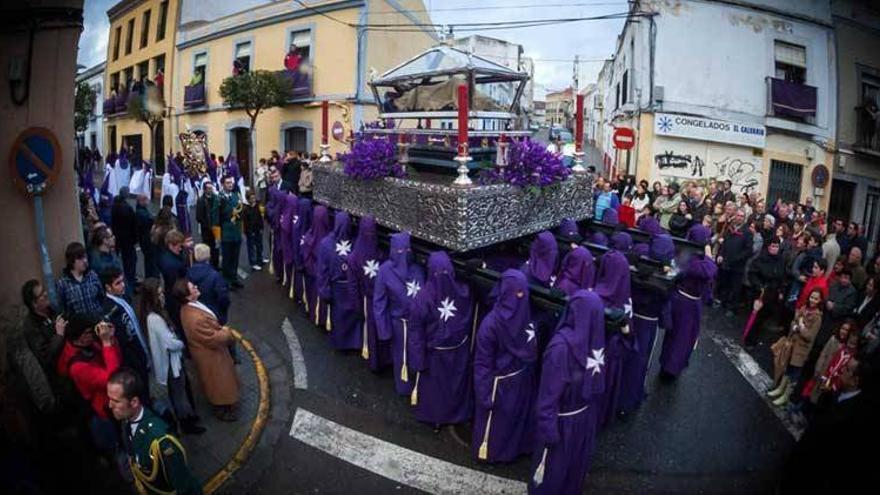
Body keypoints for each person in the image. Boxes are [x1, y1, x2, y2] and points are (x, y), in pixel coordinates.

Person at [529, 290, 606, 495]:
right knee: (552, 477)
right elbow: (548, 397)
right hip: (561, 424)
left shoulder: (593, 339)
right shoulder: (561, 348)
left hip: (582, 419)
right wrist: (549, 432)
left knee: (573, 474)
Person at [472, 269, 538, 463]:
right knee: (497, 426)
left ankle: (516, 448)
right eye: (516, 293)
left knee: (515, 420)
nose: (520, 297)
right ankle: (492, 456)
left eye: (522, 292)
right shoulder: (491, 325)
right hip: (498, 386)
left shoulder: (523, 314)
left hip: (520, 378)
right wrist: (483, 394)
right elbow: (482, 363)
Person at [106, 368, 202, 494]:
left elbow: (183, 485)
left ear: (134, 402)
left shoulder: (161, 441)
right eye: (110, 399)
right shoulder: (126, 421)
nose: (110, 405)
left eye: (116, 401)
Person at [407, 251, 474, 427]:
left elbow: (416, 332)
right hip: (451, 352)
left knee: (439, 391)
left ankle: (438, 418)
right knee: (450, 388)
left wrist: (418, 360)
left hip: (439, 354)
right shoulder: (463, 291)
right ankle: (450, 416)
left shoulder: (422, 297)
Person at [137, 279, 204, 435]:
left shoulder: (154, 314)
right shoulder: (154, 319)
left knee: (179, 392)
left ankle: (188, 418)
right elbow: (169, 343)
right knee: (178, 395)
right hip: (171, 364)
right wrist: (181, 343)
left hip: (172, 362)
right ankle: (186, 424)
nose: (163, 296)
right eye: (159, 293)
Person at [56, 313, 121, 454]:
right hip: (104, 413)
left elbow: (116, 360)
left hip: (112, 403)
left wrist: (111, 339)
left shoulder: (89, 345)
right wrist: (106, 343)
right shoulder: (77, 366)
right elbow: (112, 379)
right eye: (89, 332)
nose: (93, 333)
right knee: (118, 450)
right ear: (80, 337)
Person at [175, 279, 239, 421]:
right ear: (187, 296)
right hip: (211, 357)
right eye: (192, 287)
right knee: (218, 383)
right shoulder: (195, 319)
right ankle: (222, 408)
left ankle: (224, 404)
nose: (196, 286)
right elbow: (213, 338)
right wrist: (227, 333)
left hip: (211, 355)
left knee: (219, 382)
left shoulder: (190, 308)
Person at [660, 229, 717, 379]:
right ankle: (670, 369)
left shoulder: (685, 254)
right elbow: (709, 271)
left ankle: (667, 364)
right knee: (683, 338)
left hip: (682, 299)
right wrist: (709, 254)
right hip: (688, 303)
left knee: (675, 335)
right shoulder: (692, 260)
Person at [374, 232, 426, 396]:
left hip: (417, 324)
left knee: (418, 356)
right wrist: (383, 330)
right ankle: (404, 387)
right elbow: (379, 301)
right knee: (400, 356)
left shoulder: (418, 270)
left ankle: (419, 388)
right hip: (398, 324)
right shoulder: (384, 271)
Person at [100, 266, 152, 404]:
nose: (123, 285)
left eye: (122, 281)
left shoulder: (121, 299)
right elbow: (123, 341)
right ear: (108, 287)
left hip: (138, 352)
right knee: (142, 393)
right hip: (133, 360)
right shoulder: (110, 310)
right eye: (118, 283)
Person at [768, 288, 824, 407]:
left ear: (820, 301)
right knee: (788, 368)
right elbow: (794, 321)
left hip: (802, 349)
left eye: (816, 298)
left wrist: (801, 328)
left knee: (795, 373)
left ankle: (786, 396)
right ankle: (780, 389)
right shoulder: (804, 308)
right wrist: (795, 326)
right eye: (811, 297)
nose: (813, 300)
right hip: (792, 344)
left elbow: (810, 336)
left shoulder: (818, 317)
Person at [316, 211, 363, 349]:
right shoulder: (354, 243)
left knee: (344, 318)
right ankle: (349, 343)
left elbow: (322, 271)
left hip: (339, 287)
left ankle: (346, 343)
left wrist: (324, 290)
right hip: (346, 288)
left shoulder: (326, 243)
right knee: (345, 317)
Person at [349, 215, 389, 371]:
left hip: (367, 299)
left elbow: (353, 285)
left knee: (372, 331)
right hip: (380, 299)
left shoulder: (354, 257)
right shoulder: (381, 253)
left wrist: (356, 305)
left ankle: (375, 362)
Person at [745, 238, 787, 346]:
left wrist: (781, 290)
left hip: (772, 294)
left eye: (776, 246)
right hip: (760, 293)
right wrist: (759, 286)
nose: (774, 249)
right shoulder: (761, 259)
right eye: (772, 246)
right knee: (755, 317)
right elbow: (752, 274)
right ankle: (749, 339)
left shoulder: (780, 260)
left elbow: (782, 277)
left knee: (764, 318)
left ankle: (756, 336)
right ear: (768, 247)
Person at [716, 209, 752, 315]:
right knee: (725, 283)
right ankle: (723, 302)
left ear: (744, 218)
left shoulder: (747, 232)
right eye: (738, 215)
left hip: (737, 265)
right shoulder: (730, 229)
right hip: (726, 262)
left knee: (735, 287)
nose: (739, 217)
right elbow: (724, 243)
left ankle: (732, 307)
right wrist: (721, 255)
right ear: (735, 216)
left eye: (742, 216)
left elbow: (748, 250)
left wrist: (736, 258)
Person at [302, 204, 332, 325]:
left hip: (312, 274)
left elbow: (305, 254)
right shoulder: (329, 239)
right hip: (323, 276)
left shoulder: (309, 234)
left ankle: (312, 313)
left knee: (312, 295)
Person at [56, 242, 104, 317]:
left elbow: (102, 298)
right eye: (80, 258)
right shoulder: (63, 284)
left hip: (98, 322)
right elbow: (63, 309)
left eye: (85, 257)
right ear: (72, 261)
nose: (85, 261)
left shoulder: (92, 275)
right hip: (80, 326)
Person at [187, 243, 231, 324]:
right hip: (214, 313)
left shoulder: (188, 273)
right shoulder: (215, 276)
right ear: (209, 256)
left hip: (197, 311)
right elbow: (223, 298)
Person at [219, 175, 244, 288]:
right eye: (228, 183)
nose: (230, 185)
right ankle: (226, 280)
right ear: (223, 184)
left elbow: (241, 211)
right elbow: (216, 217)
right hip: (226, 232)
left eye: (231, 183)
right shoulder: (219, 198)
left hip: (236, 232)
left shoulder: (236, 196)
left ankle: (234, 278)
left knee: (235, 257)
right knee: (227, 258)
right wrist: (217, 235)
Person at [111, 188, 139, 290]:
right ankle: (130, 284)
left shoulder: (114, 206)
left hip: (118, 237)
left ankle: (128, 281)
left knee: (121, 260)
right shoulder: (128, 209)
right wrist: (135, 239)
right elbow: (134, 225)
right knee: (130, 262)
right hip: (128, 240)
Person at [195, 180, 220, 269]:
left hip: (216, 227)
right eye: (208, 188)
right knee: (207, 247)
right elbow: (198, 216)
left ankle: (216, 265)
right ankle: (208, 265)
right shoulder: (201, 200)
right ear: (205, 190)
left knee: (216, 247)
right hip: (206, 229)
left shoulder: (216, 198)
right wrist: (205, 224)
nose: (210, 190)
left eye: (211, 188)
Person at [135, 194, 159, 279]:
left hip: (145, 239)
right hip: (146, 239)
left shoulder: (141, 210)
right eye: (145, 200)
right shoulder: (141, 213)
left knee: (149, 260)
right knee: (150, 260)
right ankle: (151, 277)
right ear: (141, 201)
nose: (147, 202)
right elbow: (150, 220)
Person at [242, 189, 265, 271]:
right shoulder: (245, 209)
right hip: (250, 231)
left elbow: (260, 218)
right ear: (248, 199)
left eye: (254, 198)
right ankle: (253, 263)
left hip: (258, 229)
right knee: (251, 247)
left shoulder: (257, 205)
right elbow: (245, 222)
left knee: (260, 245)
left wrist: (262, 227)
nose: (253, 200)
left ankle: (260, 259)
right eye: (251, 198)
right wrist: (248, 232)